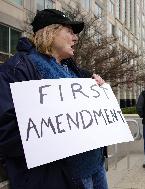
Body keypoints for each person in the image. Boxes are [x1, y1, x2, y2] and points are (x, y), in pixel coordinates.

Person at [0, 9, 108, 189]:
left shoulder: (74, 72)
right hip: (61, 178)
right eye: (70, 32)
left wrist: (96, 88)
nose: (75, 38)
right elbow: (6, 132)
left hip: (95, 168)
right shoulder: (17, 70)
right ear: (50, 32)